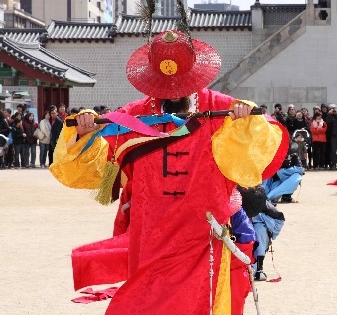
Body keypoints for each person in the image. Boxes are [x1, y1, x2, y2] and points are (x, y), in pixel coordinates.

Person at [49, 29, 288, 315]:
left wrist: (249, 121)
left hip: (204, 235)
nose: (174, 91)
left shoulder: (220, 108)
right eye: (165, 85)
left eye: (181, 83)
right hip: (151, 239)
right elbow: (101, 167)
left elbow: (264, 144)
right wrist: (85, 133)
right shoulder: (133, 116)